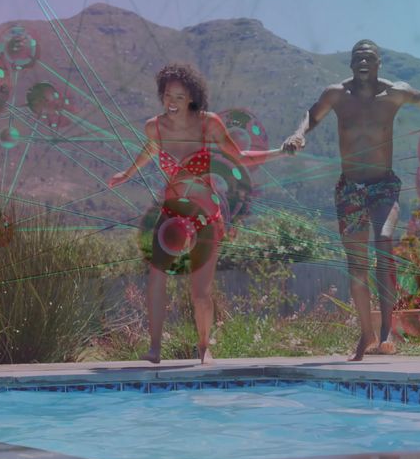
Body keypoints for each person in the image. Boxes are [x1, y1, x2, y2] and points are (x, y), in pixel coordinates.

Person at [282, 39, 420, 361]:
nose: (363, 62)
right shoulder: (337, 94)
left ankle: (386, 330)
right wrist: (299, 134)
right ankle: (365, 333)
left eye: (369, 58)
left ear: (378, 63)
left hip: (382, 185)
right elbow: (313, 115)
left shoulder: (394, 93)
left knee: (384, 239)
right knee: (357, 268)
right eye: (358, 58)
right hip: (350, 189)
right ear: (351, 63)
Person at [108, 63, 288, 364]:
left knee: (200, 292)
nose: (171, 102)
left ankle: (204, 346)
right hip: (171, 216)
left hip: (204, 216)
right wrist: (126, 173)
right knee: (156, 280)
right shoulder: (155, 127)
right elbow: (150, 150)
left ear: (192, 97)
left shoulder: (209, 124)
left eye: (179, 97)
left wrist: (281, 151)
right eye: (167, 95)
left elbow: (239, 156)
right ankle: (154, 349)